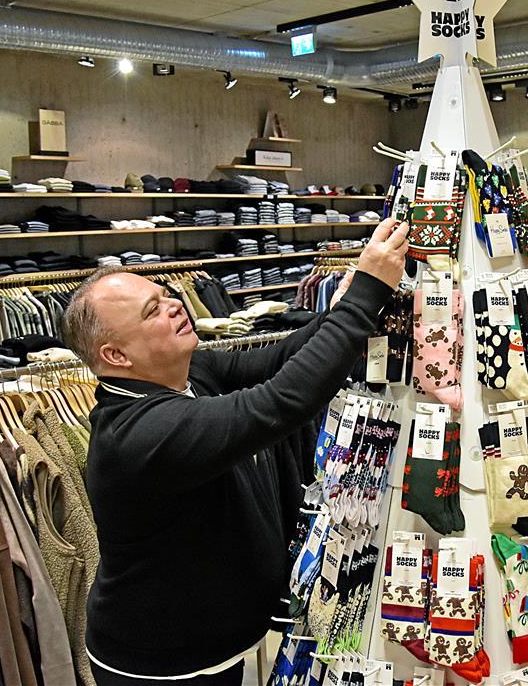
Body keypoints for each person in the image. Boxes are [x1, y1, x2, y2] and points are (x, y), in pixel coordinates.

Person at [60, 218, 409, 685]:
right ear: (116, 357)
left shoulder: (186, 374)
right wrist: (366, 295)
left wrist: (343, 308)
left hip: (209, 646)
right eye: (152, 312)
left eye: (166, 295)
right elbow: (282, 401)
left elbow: (274, 361)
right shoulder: (141, 433)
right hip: (163, 667)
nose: (175, 307)